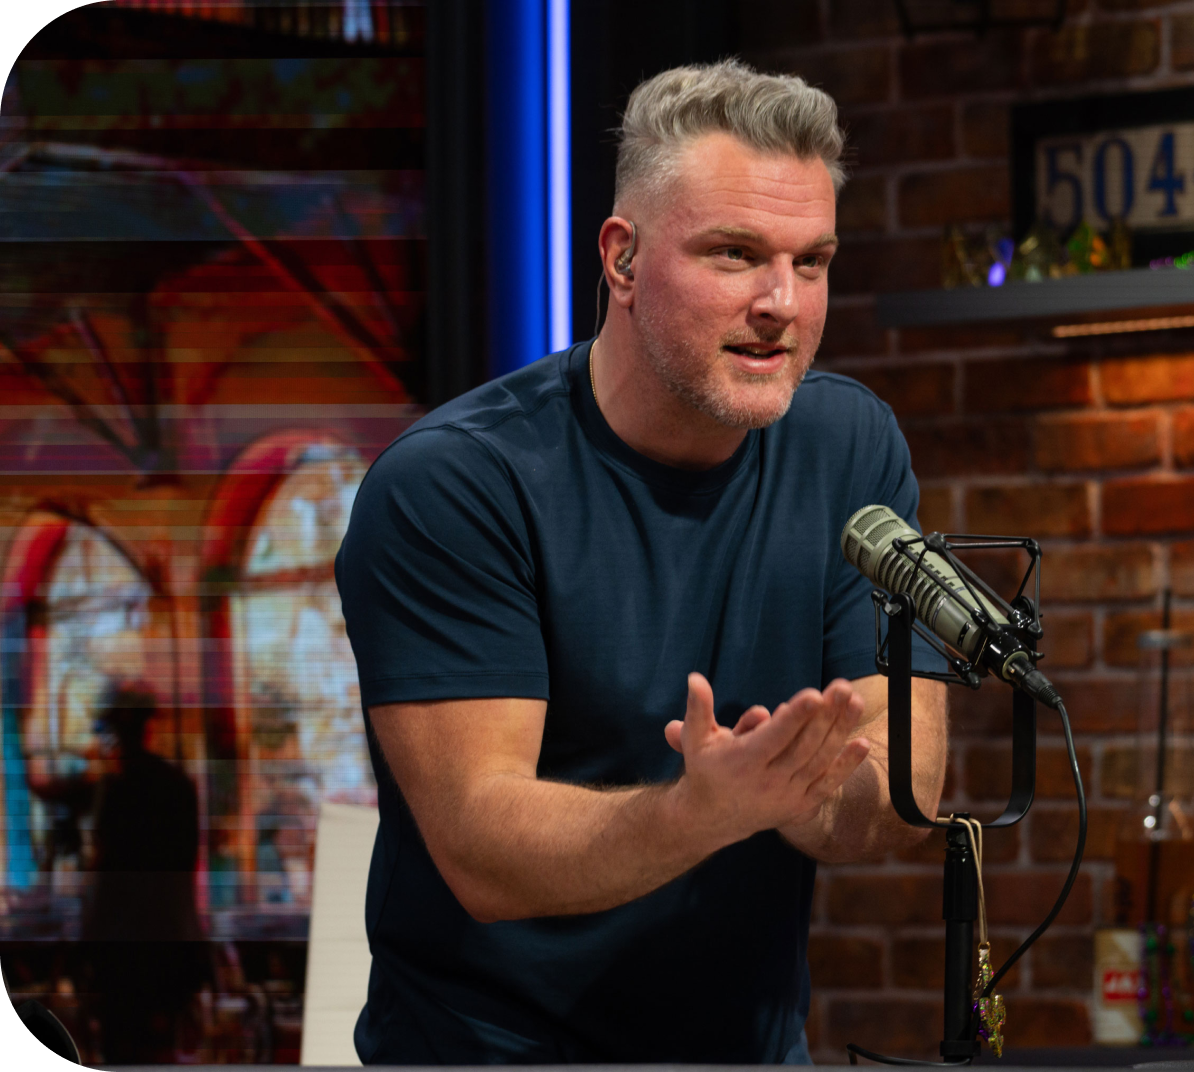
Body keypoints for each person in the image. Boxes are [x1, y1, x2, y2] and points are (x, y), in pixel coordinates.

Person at [336, 59, 948, 1065]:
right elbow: (481, 849)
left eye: (811, 261)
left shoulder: (849, 447)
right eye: (735, 254)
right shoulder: (454, 483)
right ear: (621, 259)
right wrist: (702, 811)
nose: (782, 303)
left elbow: (902, 779)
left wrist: (813, 794)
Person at [81, 681, 206, 1063]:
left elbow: (105, 875)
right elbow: (185, 871)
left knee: (123, 1049)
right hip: (169, 949)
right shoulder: (177, 786)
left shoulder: (117, 789)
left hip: (126, 955)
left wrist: (88, 949)